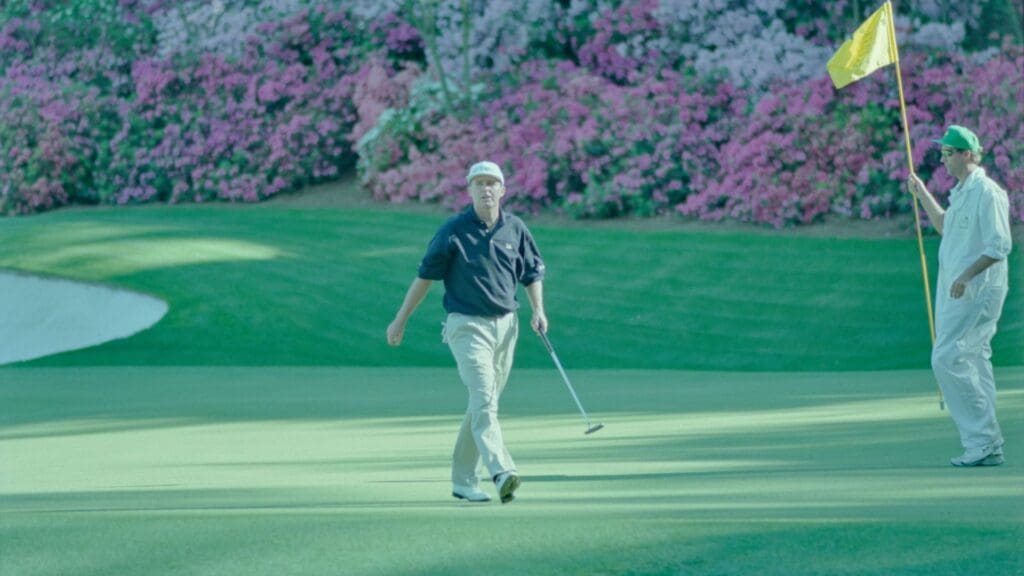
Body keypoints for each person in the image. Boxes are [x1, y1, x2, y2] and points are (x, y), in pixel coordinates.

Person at [387, 160, 548, 503]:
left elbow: (532, 273)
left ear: (503, 190)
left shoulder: (516, 229)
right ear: (470, 190)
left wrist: (538, 310)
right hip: (466, 326)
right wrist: (400, 319)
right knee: (485, 400)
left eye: (492, 183)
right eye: (479, 183)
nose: (486, 189)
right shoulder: (453, 231)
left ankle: (462, 481)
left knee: (483, 402)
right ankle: (502, 471)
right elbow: (425, 278)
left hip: (507, 327)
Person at [907, 125, 1012, 467]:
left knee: (947, 357)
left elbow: (1000, 246)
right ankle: (987, 443)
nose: (943, 159)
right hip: (960, 288)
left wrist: (966, 276)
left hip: (977, 289)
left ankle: (982, 439)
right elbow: (944, 226)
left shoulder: (987, 192)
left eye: (948, 153)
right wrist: (921, 193)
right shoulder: (963, 191)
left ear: (967, 154)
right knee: (973, 358)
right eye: (942, 153)